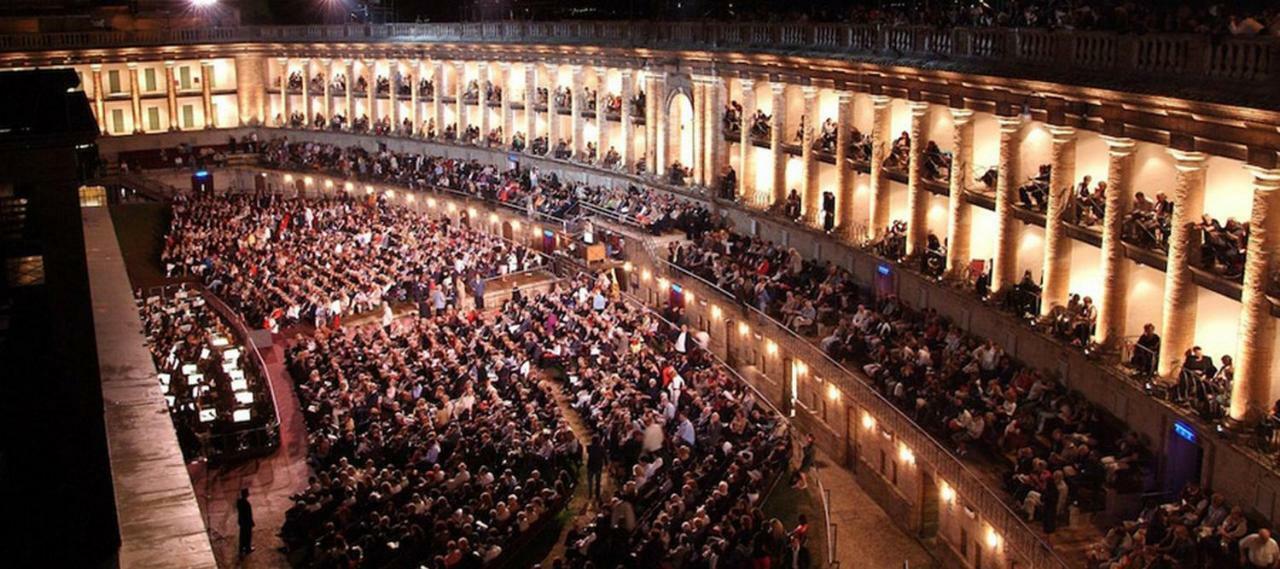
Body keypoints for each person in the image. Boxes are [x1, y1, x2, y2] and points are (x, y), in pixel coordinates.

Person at [586, 435, 605, 501]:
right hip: (598, 467)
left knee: (590, 482)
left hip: (590, 466)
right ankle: (597, 495)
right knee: (597, 482)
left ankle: (590, 494)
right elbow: (604, 456)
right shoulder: (601, 448)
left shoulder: (589, 447)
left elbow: (588, 452)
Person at [237, 488, 255, 556]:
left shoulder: (239, 502)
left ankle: (241, 549)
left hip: (242, 522)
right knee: (247, 536)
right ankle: (247, 548)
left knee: (242, 536)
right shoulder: (246, 504)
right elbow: (248, 515)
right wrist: (251, 522)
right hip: (247, 523)